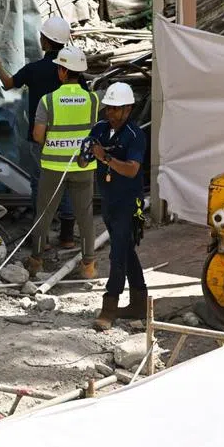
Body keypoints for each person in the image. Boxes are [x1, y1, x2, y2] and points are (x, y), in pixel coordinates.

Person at [0, 15, 77, 250]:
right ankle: (67, 237)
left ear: (46, 41)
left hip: (40, 138)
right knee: (65, 184)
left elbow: (9, 84)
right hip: (67, 138)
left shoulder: (34, 69)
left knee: (40, 187)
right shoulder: (71, 71)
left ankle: (42, 239)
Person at [80, 82, 147, 331]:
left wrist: (105, 157)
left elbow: (131, 170)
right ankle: (139, 302)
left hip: (128, 202)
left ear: (128, 109)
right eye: (108, 108)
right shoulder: (99, 129)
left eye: (116, 109)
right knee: (125, 249)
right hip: (108, 199)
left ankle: (109, 305)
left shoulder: (135, 135)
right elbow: (85, 161)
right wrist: (86, 153)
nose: (110, 113)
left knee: (117, 253)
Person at [25, 46, 98, 279]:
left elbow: (38, 135)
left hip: (53, 167)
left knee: (44, 214)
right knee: (85, 216)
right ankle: (89, 266)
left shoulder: (49, 101)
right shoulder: (93, 100)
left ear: (63, 72)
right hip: (83, 167)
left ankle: (36, 261)